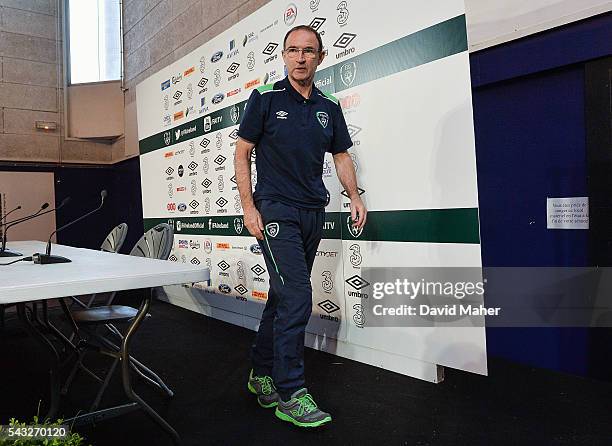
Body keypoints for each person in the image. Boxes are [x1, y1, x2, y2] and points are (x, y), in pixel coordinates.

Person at [235, 24, 367, 427]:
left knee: (281, 295)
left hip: (314, 212)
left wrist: (355, 195)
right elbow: (242, 154)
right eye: (293, 50)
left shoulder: (329, 107)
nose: (300, 57)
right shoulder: (265, 98)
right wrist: (248, 207)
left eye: (308, 51)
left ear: (321, 57)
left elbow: (341, 155)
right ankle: (291, 391)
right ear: (284, 56)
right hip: (275, 210)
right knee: (296, 296)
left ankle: (260, 374)